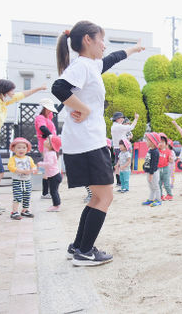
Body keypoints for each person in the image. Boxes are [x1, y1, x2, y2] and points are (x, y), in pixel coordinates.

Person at [51, 20, 145, 266]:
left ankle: (79, 246)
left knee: (96, 197)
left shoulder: (91, 65)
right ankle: (84, 252)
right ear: (87, 40)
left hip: (84, 142)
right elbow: (58, 87)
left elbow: (112, 58)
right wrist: (83, 108)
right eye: (101, 39)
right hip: (86, 143)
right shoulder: (82, 65)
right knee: (105, 197)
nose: (104, 45)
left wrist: (133, 50)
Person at [0, 79, 46, 216]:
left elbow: (22, 95)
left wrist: (38, 88)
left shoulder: (2, 102)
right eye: (11, 90)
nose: (13, 93)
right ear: (4, 91)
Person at [34, 98, 59, 199]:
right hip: (46, 145)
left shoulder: (48, 118)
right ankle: (45, 192)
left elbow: (57, 112)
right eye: (48, 108)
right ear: (43, 108)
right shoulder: (40, 117)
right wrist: (51, 136)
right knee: (47, 169)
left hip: (51, 145)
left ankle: (47, 192)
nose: (50, 111)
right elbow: (42, 128)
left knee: (50, 167)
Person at [7, 138, 37, 220]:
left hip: (27, 181)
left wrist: (34, 169)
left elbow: (33, 166)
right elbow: (11, 167)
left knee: (27, 196)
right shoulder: (13, 159)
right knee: (18, 196)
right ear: (13, 149)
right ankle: (14, 212)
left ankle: (25, 210)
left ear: (27, 149)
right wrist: (22, 171)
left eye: (24, 147)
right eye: (19, 147)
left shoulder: (29, 158)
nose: (21, 149)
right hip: (17, 181)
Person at [111, 112, 139, 188]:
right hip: (122, 148)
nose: (123, 119)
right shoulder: (118, 126)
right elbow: (131, 127)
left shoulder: (114, 126)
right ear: (118, 119)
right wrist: (136, 118)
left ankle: (119, 182)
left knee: (117, 164)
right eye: (122, 118)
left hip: (116, 147)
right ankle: (123, 182)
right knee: (122, 164)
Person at [37, 135, 63, 212]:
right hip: (54, 175)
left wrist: (40, 163)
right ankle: (56, 204)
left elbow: (50, 164)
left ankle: (56, 206)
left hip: (54, 176)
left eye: (47, 140)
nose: (45, 141)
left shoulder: (50, 153)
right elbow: (44, 148)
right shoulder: (49, 152)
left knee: (53, 191)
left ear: (51, 145)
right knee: (54, 191)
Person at [142, 133, 161, 206]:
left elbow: (154, 164)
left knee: (155, 186)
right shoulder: (150, 150)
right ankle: (151, 199)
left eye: (148, 140)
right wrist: (145, 167)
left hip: (153, 172)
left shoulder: (155, 152)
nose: (146, 142)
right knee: (151, 186)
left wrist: (151, 174)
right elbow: (147, 160)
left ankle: (158, 200)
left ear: (153, 142)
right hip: (149, 172)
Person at [158, 133, 174, 201]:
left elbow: (170, 160)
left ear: (166, 143)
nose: (161, 143)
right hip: (158, 169)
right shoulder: (156, 150)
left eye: (162, 142)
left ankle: (169, 195)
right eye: (159, 142)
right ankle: (160, 195)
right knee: (159, 184)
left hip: (165, 169)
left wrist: (171, 159)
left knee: (167, 184)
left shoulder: (168, 151)